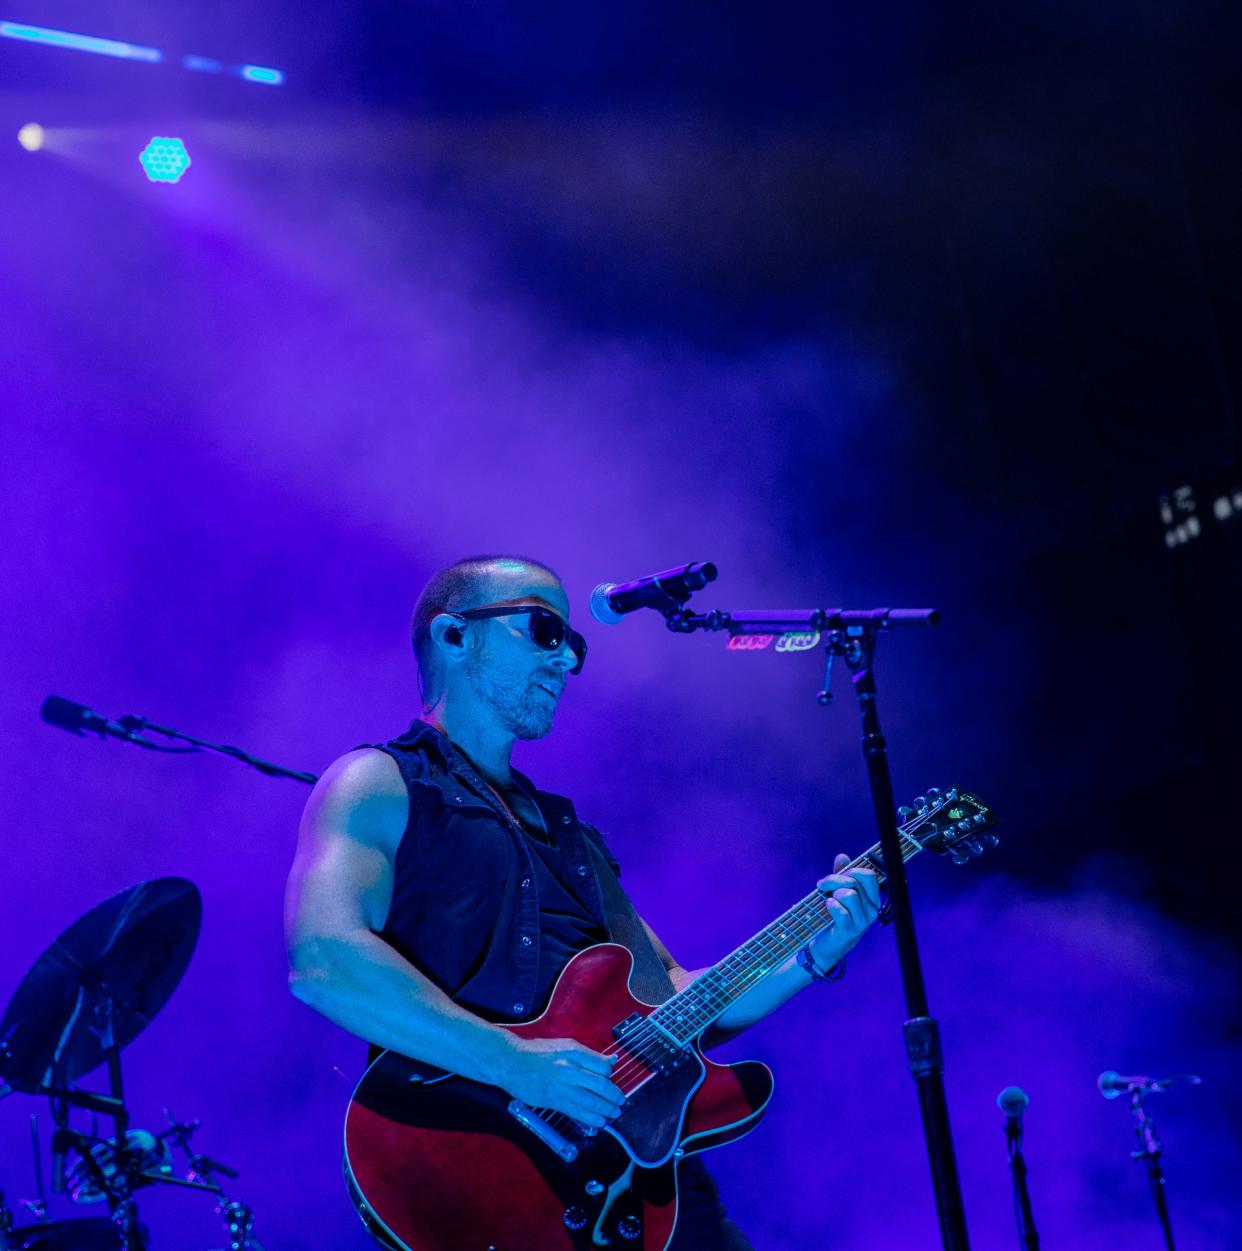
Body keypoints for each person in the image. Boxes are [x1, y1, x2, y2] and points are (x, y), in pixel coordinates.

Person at [285, 554, 881, 1249]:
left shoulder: (572, 834)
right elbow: (325, 958)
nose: (566, 659)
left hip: (638, 1171)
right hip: (476, 1167)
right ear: (454, 636)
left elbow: (676, 997)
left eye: (576, 643)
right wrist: (517, 1062)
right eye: (544, 629)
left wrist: (812, 952)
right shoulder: (377, 781)